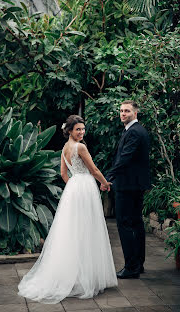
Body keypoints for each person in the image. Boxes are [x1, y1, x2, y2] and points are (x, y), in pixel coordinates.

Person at [18, 115, 118, 303]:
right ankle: (84, 277)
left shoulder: (65, 148)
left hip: (73, 188)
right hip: (85, 187)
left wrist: (74, 186)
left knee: (73, 231)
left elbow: (64, 174)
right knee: (86, 230)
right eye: (78, 129)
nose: (81, 132)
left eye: (83, 129)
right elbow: (94, 170)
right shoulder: (80, 147)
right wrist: (104, 184)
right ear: (70, 131)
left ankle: (75, 275)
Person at [101, 100, 150, 279]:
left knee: (125, 224)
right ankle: (138, 264)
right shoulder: (136, 130)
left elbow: (124, 159)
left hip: (128, 186)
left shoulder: (134, 132)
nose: (123, 114)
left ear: (135, 113)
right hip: (135, 185)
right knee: (136, 223)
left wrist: (107, 178)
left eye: (127, 111)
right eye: (121, 111)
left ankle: (131, 267)